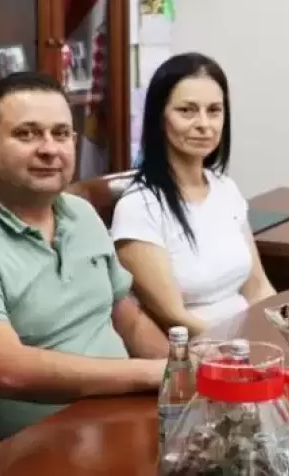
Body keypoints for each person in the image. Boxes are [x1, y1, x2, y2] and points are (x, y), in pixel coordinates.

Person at [0, 72, 169, 469]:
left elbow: (129, 320)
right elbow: (7, 370)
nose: (49, 149)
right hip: (12, 458)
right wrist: (152, 375)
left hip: (113, 425)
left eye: (61, 134)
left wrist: (186, 374)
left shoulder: (82, 214)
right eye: (27, 134)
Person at [111, 52, 277, 335]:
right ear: (160, 118)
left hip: (251, 339)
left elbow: (258, 287)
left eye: (214, 111)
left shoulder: (226, 188)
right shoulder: (138, 207)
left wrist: (283, 333)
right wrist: (241, 347)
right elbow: (174, 317)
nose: (204, 124)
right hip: (203, 348)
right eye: (187, 110)